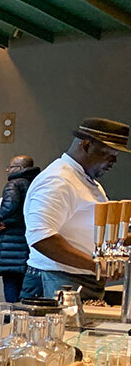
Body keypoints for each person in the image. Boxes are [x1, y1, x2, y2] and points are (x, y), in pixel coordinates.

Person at [22, 119, 129, 300]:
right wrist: (95, 266)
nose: (113, 162)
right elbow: (41, 237)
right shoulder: (58, 180)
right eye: (109, 154)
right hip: (56, 281)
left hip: (77, 279)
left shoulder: (86, 181)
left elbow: (90, 233)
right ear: (86, 146)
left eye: (116, 156)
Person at [0, 155, 39, 303]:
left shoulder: (14, 184)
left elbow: (10, 206)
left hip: (10, 242)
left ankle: (11, 322)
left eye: (10, 167)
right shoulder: (35, 183)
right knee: (23, 287)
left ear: (20, 168)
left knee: (10, 286)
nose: (7, 170)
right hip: (27, 241)